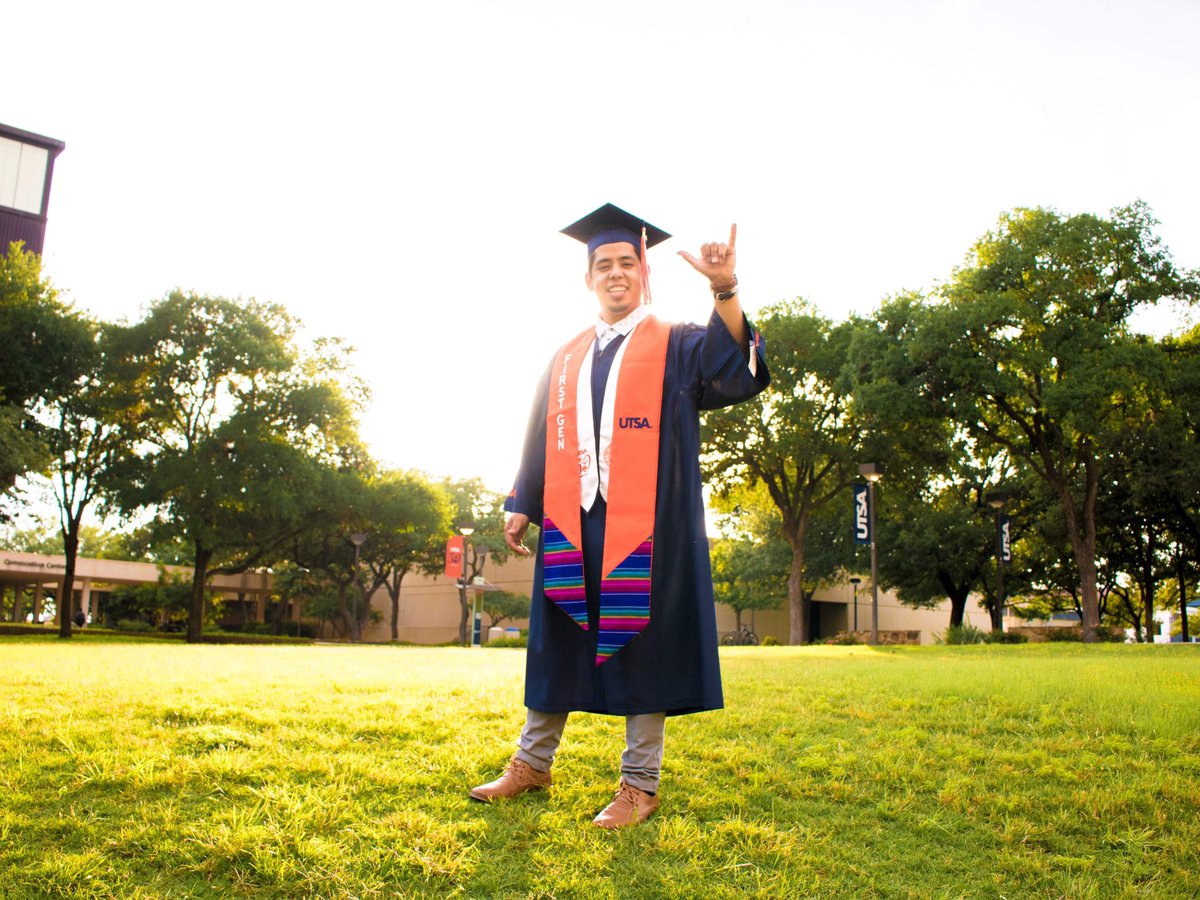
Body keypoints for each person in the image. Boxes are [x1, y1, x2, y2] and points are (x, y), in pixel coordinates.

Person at [469, 203, 769, 828]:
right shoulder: (567, 355)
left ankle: (639, 785)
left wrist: (724, 289)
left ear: (644, 273)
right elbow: (539, 434)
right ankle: (533, 762)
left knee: (644, 642)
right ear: (587, 279)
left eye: (626, 263)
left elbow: (738, 370)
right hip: (573, 522)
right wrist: (522, 501)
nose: (614, 273)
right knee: (558, 639)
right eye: (602, 264)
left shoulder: (679, 343)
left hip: (649, 527)